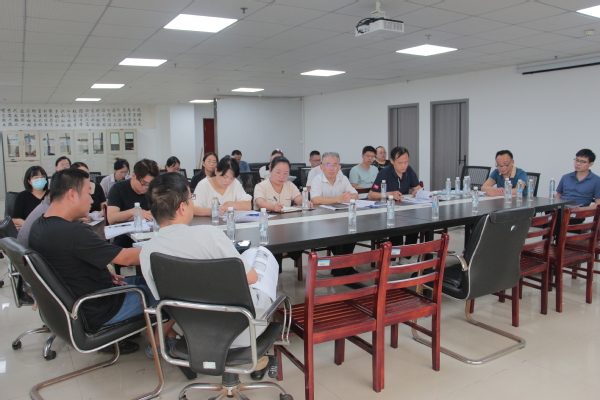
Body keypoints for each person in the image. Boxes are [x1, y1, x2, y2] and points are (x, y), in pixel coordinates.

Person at [141, 172, 275, 355]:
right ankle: (265, 349)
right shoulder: (209, 235)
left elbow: (163, 300)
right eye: (191, 199)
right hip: (243, 328)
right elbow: (251, 278)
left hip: (192, 330)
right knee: (262, 258)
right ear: (182, 208)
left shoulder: (147, 252)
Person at [28, 168, 152, 354]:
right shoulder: (74, 233)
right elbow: (126, 258)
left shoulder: (40, 225)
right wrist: (165, 246)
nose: (92, 200)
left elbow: (66, 264)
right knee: (166, 291)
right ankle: (163, 343)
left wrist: (101, 272)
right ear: (72, 195)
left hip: (79, 304)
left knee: (146, 281)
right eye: (88, 193)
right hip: (99, 309)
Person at [254, 156, 310, 272]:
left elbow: (298, 199)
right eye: (278, 172)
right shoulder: (261, 186)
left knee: (303, 235)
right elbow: (260, 203)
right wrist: (272, 207)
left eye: (285, 173)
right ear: (270, 171)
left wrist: (305, 201)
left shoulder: (289, 185)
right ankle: (276, 270)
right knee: (275, 242)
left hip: (286, 226)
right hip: (267, 228)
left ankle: (289, 251)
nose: (282, 176)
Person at [310, 152, 359, 276]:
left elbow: (355, 194)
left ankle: (343, 266)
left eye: (335, 165)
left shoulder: (343, 178)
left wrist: (349, 196)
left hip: (341, 217)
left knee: (353, 231)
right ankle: (342, 267)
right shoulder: (317, 180)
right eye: (328, 164)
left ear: (339, 167)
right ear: (322, 167)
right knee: (336, 233)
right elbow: (315, 199)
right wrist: (339, 199)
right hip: (322, 220)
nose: (331, 168)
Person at [107, 159, 159, 273]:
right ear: (134, 176)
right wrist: (135, 212)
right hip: (125, 236)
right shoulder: (118, 189)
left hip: (150, 235)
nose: (147, 188)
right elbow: (111, 218)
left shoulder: (153, 190)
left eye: (150, 184)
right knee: (116, 252)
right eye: (144, 183)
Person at [368, 146, 422, 247]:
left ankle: (408, 253)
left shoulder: (409, 170)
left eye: (406, 162)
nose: (404, 166)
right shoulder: (384, 173)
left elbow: (418, 188)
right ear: (392, 161)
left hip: (405, 209)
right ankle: (394, 254)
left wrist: (417, 192)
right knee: (397, 225)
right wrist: (389, 194)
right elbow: (371, 195)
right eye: (400, 163)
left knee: (416, 224)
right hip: (388, 211)